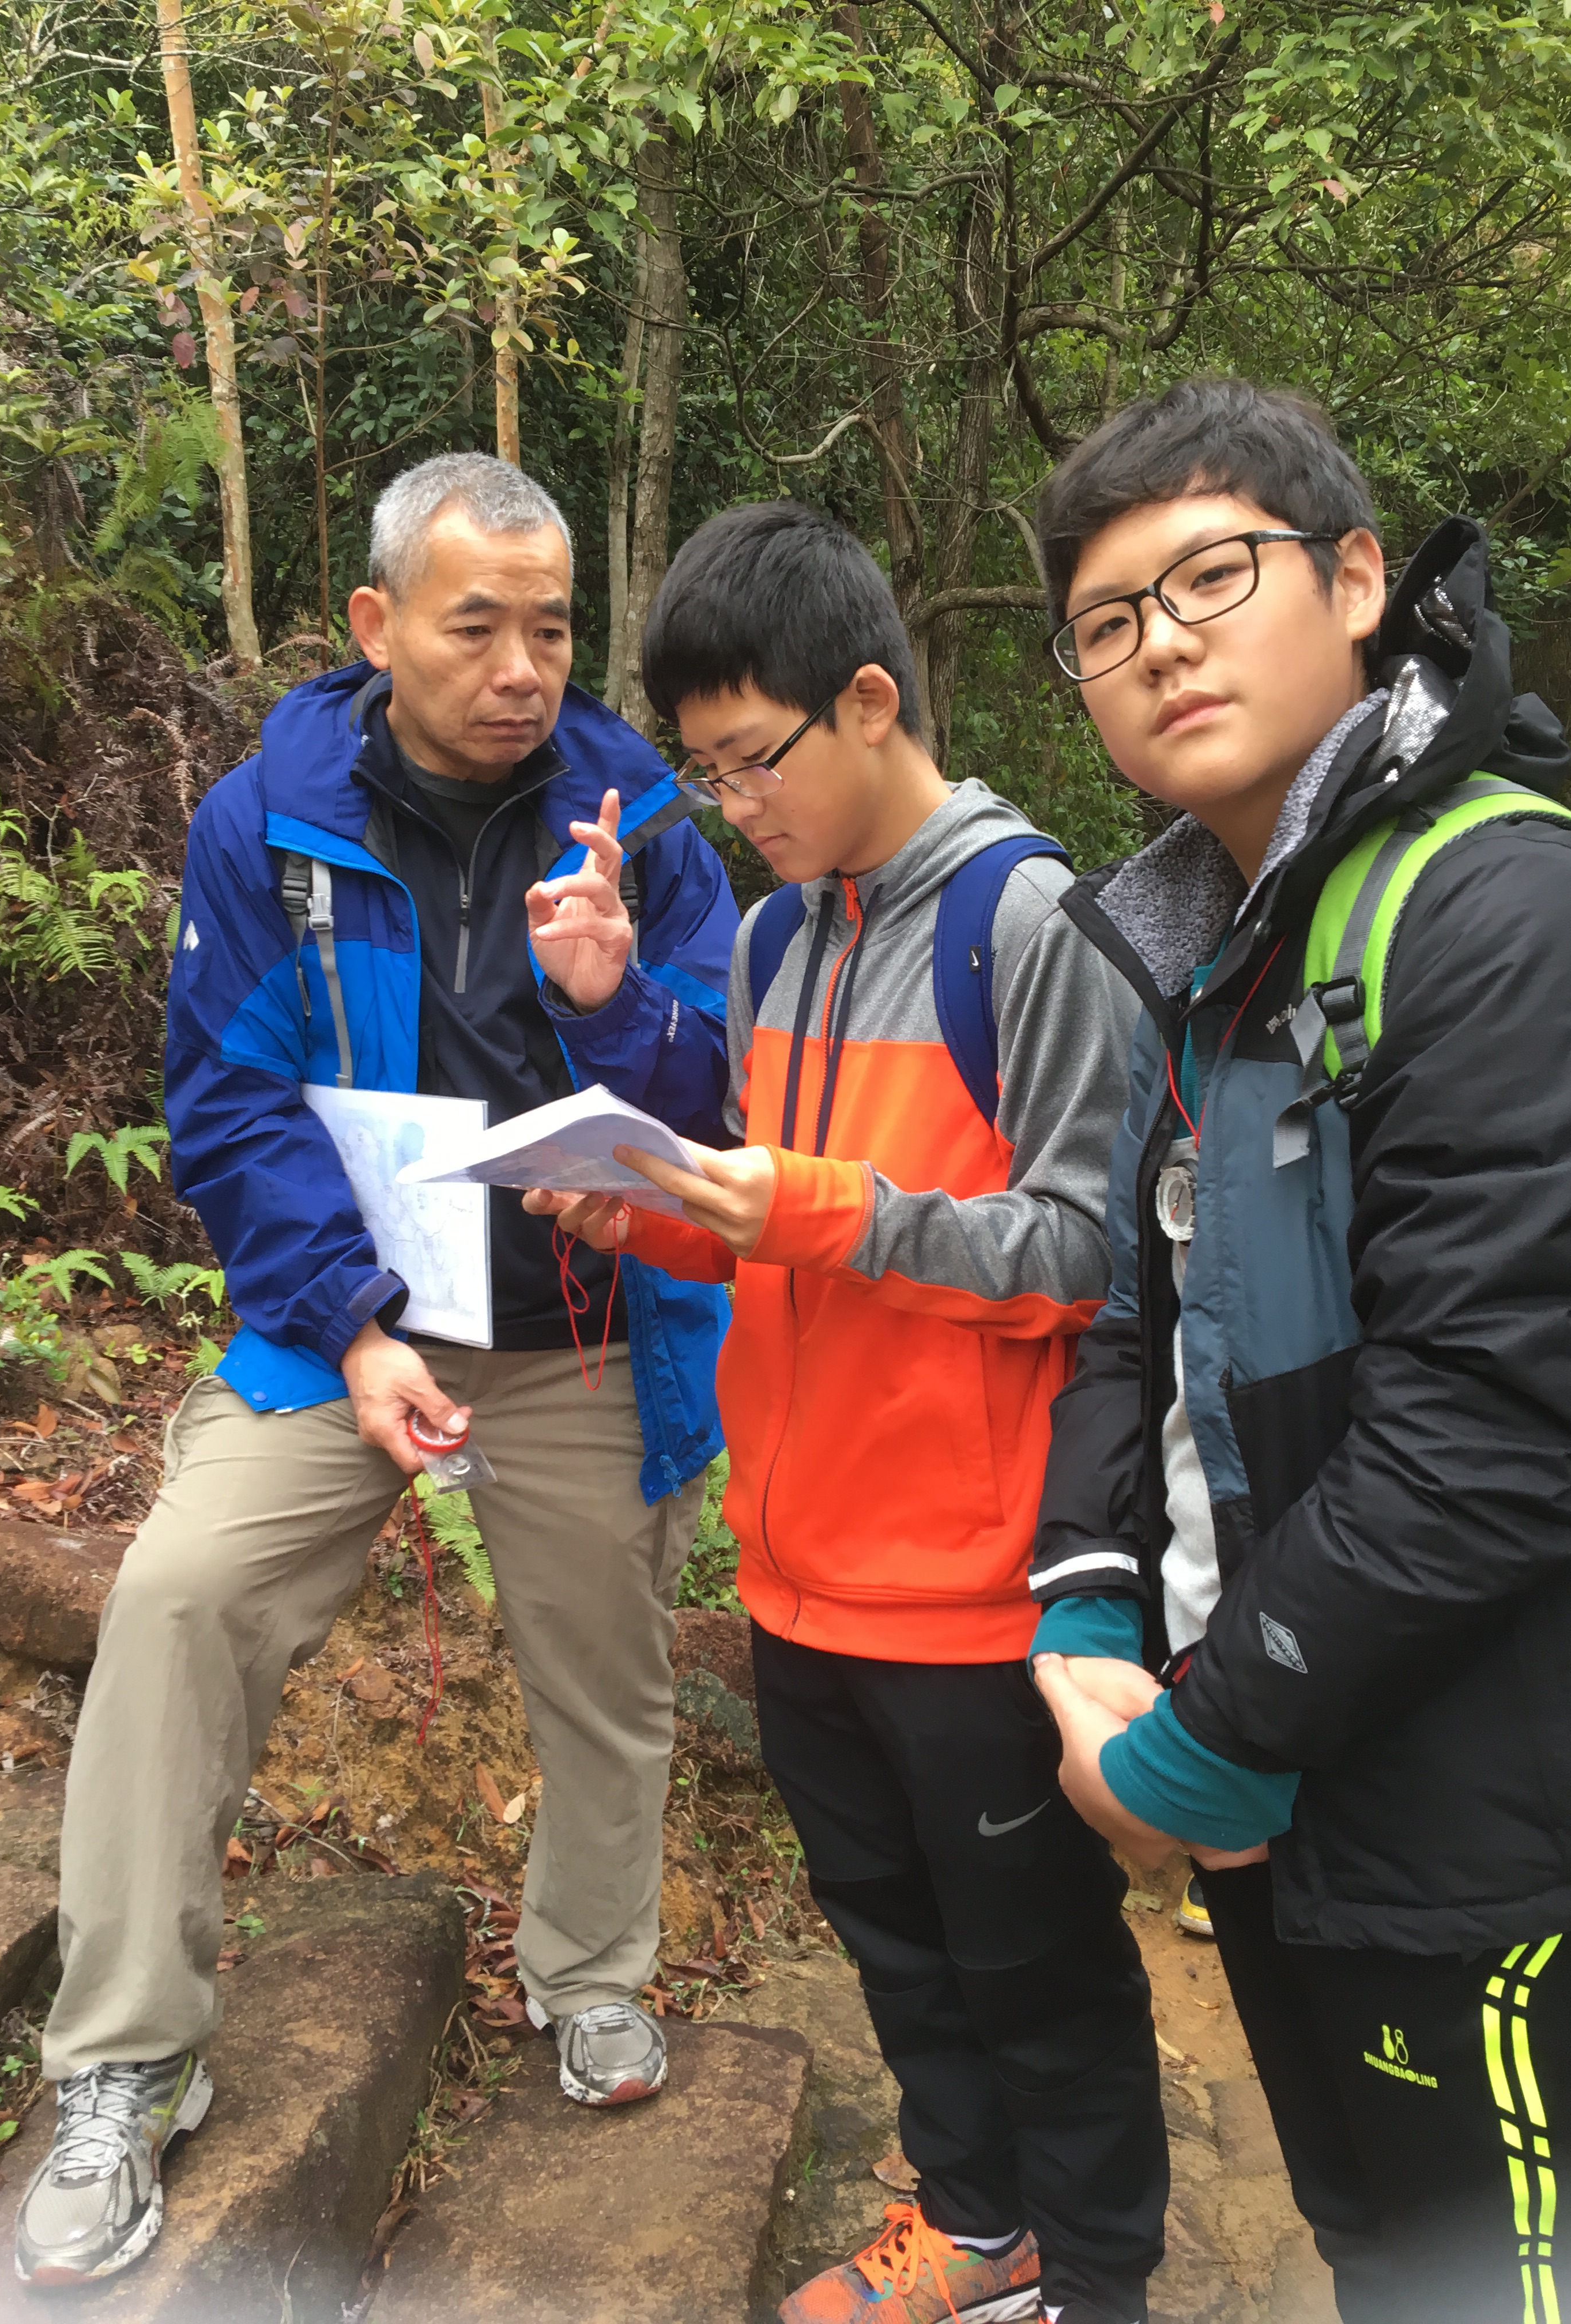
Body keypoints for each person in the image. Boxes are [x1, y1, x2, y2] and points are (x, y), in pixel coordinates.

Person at [14, 453, 738, 2286]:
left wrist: (618, 1008)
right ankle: (125, 2057)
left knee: (607, 1664)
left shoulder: (643, 821)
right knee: (179, 1598)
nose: (521, 668)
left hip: (581, 1327)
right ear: (376, 624)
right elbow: (229, 1098)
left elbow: (726, 1097)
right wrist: (347, 1324)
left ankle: (592, 1972)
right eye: (475, 625)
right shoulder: (270, 823)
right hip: (348, 1319)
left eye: (551, 629)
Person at [1024, 375, 1571, 2323]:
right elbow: (1134, 1311)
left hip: (1469, 1811)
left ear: (1360, 578)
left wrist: (1203, 1750)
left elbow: (1485, 1444)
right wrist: (1087, 1599)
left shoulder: (1511, 912)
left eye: (1211, 576)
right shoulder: (1213, 944)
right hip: (1274, 1765)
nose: (1163, 644)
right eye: (1107, 622)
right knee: (1373, 2245)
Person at [531, 500, 1166, 2324]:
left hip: (971, 1590)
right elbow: (776, 1220)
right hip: (801, 1568)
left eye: (756, 760)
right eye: (709, 773)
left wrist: (810, 1206)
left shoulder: (1025, 921)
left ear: (870, 701)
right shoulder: (776, 938)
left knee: (1039, 1971)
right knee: (898, 1947)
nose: (736, 805)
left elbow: (1089, 1255)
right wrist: (655, 1210)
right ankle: (979, 2229)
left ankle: (1101, 2281)